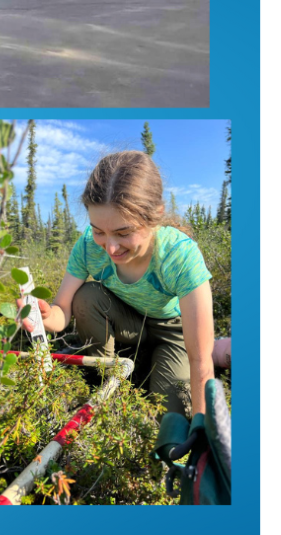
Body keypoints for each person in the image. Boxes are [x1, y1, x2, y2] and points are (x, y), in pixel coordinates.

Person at [29, 152, 215, 417]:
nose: (110, 248)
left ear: (156, 215)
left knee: (166, 417)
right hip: (129, 323)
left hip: (172, 333)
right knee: (87, 295)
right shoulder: (87, 246)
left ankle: (147, 367)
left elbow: (200, 357)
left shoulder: (179, 255)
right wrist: (45, 317)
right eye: (98, 231)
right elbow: (62, 310)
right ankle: (106, 380)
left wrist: (202, 423)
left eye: (123, 233)